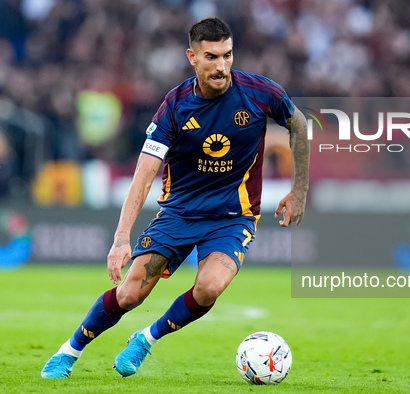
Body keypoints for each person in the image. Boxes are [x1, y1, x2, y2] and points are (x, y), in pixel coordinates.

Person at [41, 16, 310, 379]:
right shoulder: (175, 106)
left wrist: (299, 189)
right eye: (211, 57)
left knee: (209, 287)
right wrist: (121, 237)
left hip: (234, 217)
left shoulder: (260, 93)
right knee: (130, 295)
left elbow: (299, 124)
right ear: (192, 57)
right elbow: (143, 174)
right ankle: (68, 352)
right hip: (178, 214)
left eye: (227, 55)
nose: (221, 66)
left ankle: (146, 339)